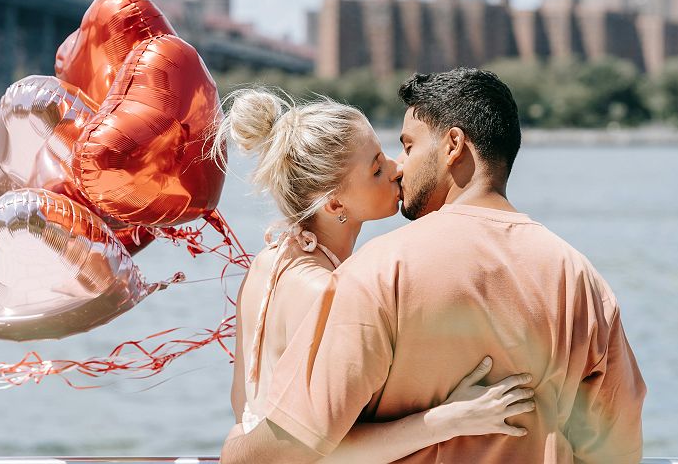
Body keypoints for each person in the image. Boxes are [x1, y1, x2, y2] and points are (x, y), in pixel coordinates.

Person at [220, 68, 647, 464]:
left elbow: (291, 444)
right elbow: (616, 448)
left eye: (408, 145)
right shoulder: (580, 280)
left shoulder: (378, 272)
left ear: (453, 145)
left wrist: (237, 444)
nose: (399, 165)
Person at [212, 88, 536, 463]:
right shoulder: (326, 290)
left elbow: (244, 407)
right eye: (377, 168)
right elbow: (322, 454)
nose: (398, 168)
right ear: (335, 203)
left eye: (385, 154)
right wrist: (451, 419)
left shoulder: (267, 264)